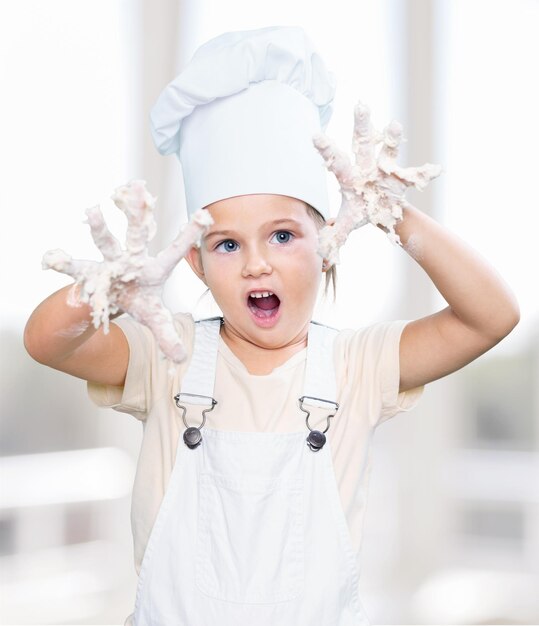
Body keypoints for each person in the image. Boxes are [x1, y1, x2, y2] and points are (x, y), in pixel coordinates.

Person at [24, 25, 520, 626]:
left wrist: (396, 214)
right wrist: (108, 288)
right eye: (227, 244)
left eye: (283, 235)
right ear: (195, 262)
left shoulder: (356, 367)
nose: (257, 261)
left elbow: (493, 317)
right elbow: (46, 340)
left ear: (328, 242)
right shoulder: (166, 356)